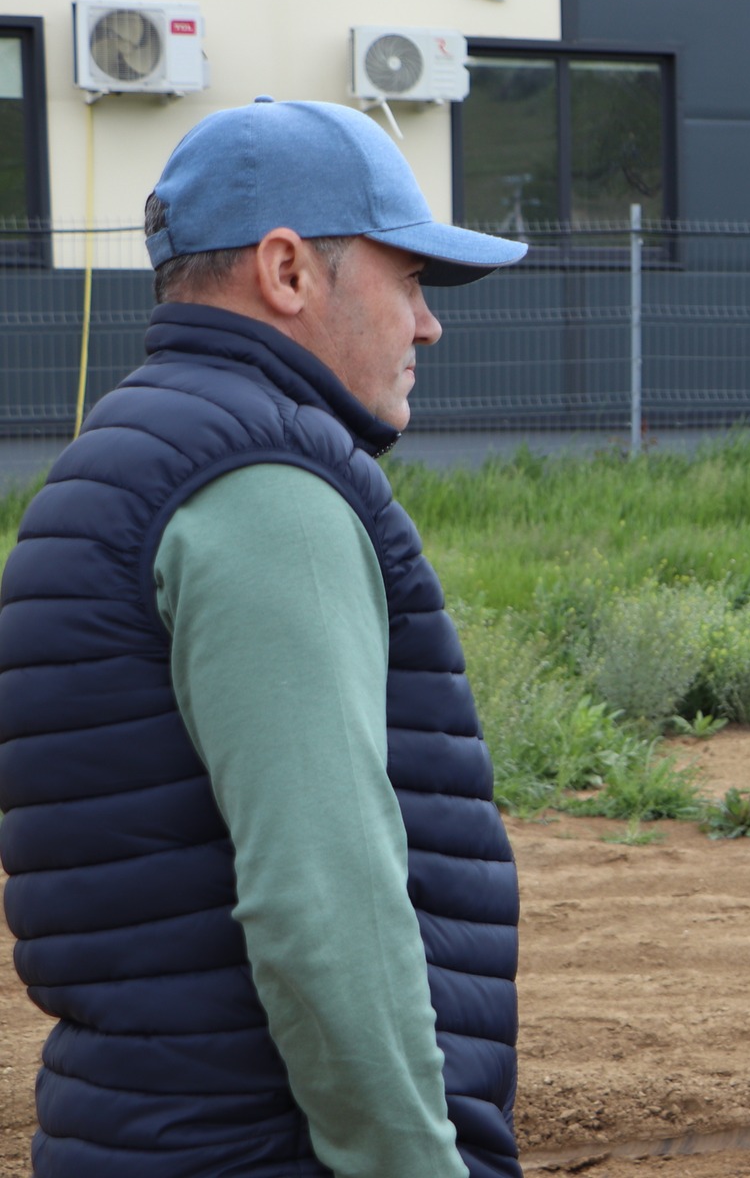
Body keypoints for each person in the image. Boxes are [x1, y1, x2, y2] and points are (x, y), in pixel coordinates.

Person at [0, 100, 529, 1178]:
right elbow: (321, 905)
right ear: (286, 271)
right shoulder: (262, 489)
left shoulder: (117, 462)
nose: (427, 324)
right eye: (408, 279)